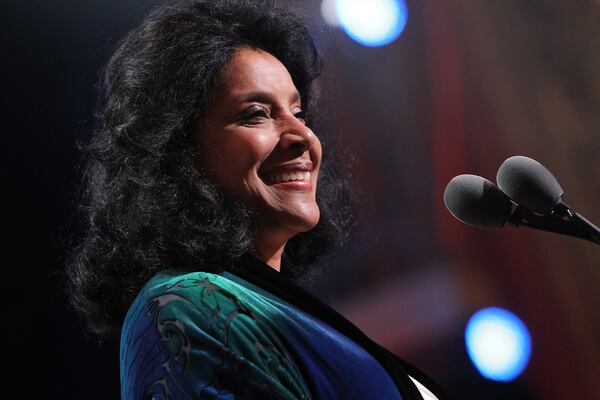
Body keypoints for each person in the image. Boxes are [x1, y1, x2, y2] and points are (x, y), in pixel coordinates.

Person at [67, 0, 447, 398]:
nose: (304, 137)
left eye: (298, 113)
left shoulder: (265, 308)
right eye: (255, 113)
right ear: (175, 147)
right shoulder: (187, 306)